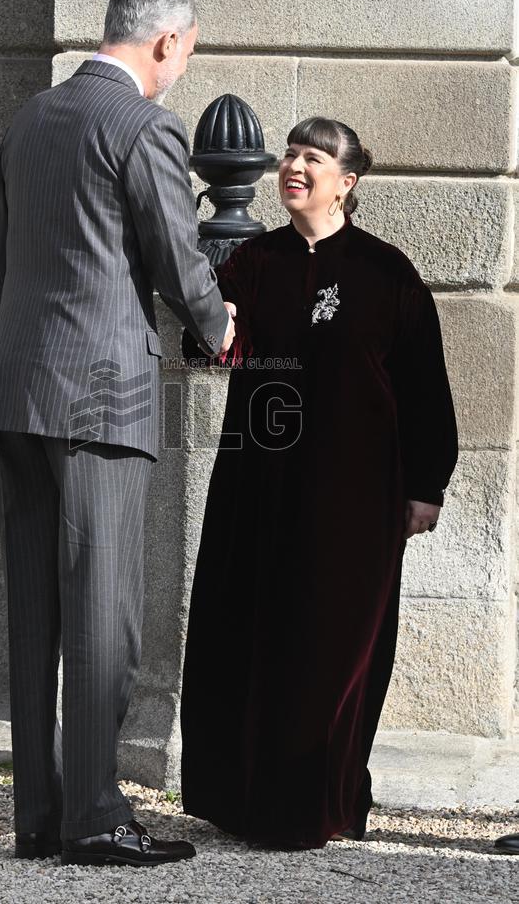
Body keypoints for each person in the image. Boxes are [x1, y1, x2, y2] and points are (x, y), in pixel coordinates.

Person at [0, 0, 235, 868]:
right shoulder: (144, 126)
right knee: (103, 616)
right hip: (102, 399)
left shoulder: (31, 120)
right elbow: (176, 251)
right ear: (165, 42)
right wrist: (219, 323)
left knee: (35, 615)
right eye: (188, 53)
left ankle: (38, 818)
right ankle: (93, 818)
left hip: (17, 392)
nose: (182, 70)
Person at [179, 117, 459, 850]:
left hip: (354, 499)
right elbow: (207, 347)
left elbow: (424, 387)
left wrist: (427, 484)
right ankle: (241, 800)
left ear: (347, 182)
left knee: (332, 650)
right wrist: (217, 321)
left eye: (314, 157)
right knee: (248, 637)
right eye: (291, 154)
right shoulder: (251, 261)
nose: (295, 166)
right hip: (257, 488)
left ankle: (326, 800)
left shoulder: (387, 272)